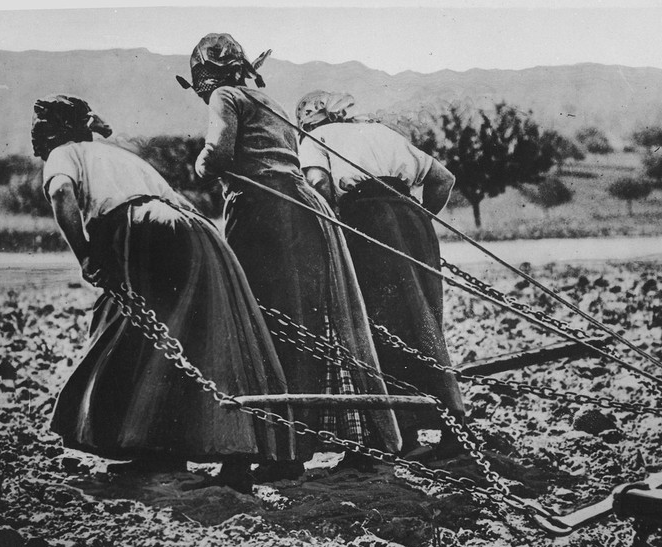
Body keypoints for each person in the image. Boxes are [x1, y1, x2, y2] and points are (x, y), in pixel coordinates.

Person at [34, 93, 298, 493]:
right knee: (202, 338)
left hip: (140, 229)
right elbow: (176, 206)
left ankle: (155, 447)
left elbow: (60, 194)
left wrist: (85, 255)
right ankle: (231, 455)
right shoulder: (122, 157)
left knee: (131, 335)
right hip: (197, 232)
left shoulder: (65, 153)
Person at [180, 34, 401, 475]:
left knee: (261, 324)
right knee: (312, 322)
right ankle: (322, 442)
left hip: (265, 214)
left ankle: (282, 453)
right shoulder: (271, 100)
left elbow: (219, 153)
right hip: (305, 210)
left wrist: (202, 166)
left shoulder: (225, 97)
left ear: (206, 77)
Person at [295, 91, 466, 459]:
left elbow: (319, 186)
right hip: (414, 223)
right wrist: (416, 218)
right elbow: (443, 179)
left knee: (382, 325)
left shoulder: (314, 140)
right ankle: (455, 425)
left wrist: (337, 228)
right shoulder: (382, 133)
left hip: (366, 223)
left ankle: (406, 433)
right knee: (425, 322)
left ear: (307, 121)